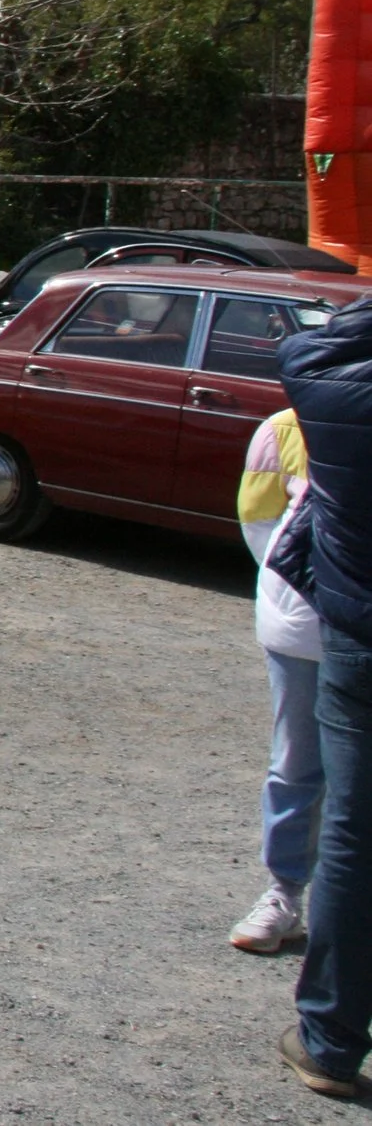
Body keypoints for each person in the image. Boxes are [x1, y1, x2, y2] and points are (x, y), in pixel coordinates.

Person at [267, 296, 372, 1096]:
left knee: (353, 834)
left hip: (358, 634)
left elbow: (308, 345)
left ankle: (332, 1040)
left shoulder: (325, 381)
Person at [234, 407, 321, 954]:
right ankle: (285, 892)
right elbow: (261, 527)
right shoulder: (289, 425)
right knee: (296, 762)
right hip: (305, 622)